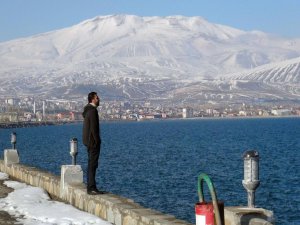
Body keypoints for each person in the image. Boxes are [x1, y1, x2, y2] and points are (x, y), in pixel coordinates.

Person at [82, 92, 103, 195]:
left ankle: (91, 186)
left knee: (91, 164)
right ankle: (91, 188)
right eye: (97, 98)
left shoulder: (87, 110)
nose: (99, 99)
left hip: (88, 141)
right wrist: (97, 141)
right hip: (92, 142)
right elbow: (94, 128)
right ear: (92, 100)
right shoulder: (93, 111)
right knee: (93, 164)